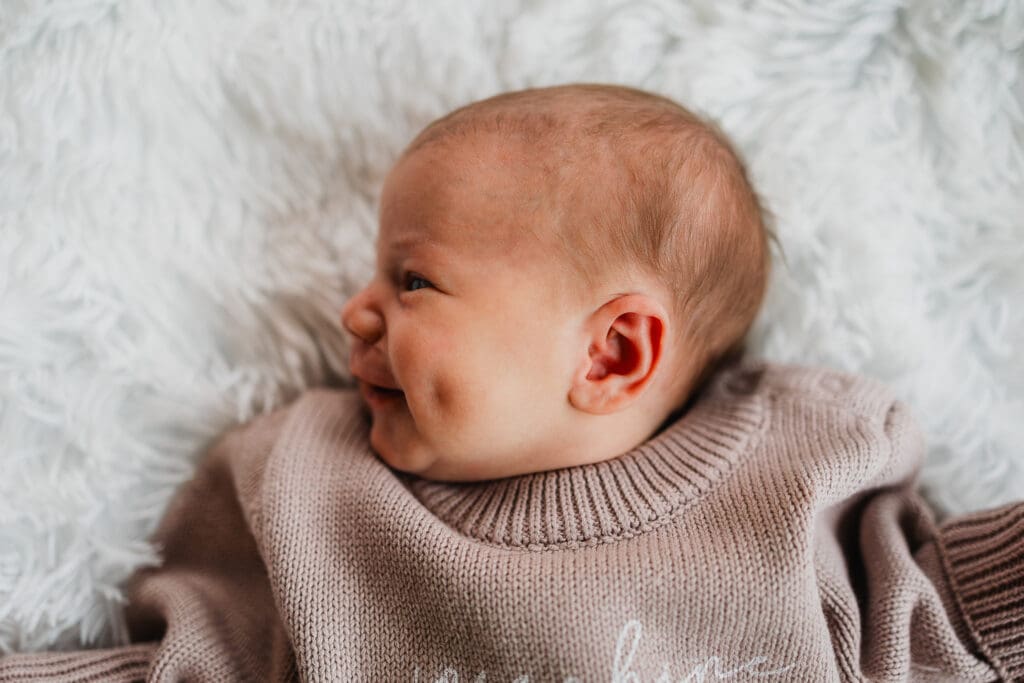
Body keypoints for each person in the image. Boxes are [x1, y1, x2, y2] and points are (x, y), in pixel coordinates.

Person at [2, 84, 1021, 682]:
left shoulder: (795, 475)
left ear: (611, 353)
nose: (355, 312)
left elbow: (941, 626)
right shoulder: (311, 493)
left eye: (412, 278)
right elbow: (184, 666)